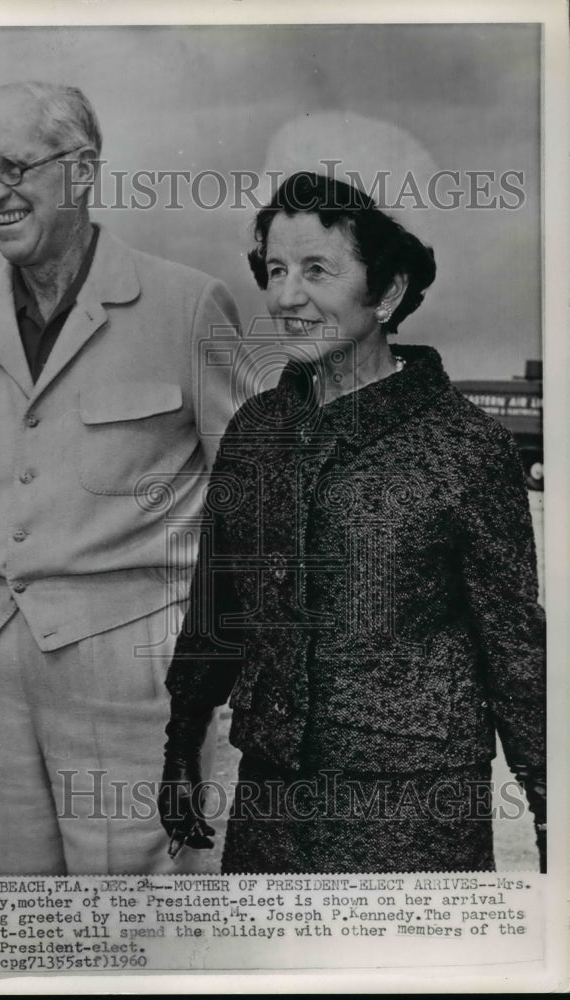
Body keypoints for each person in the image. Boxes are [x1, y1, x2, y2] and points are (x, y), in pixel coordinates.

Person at [0, 81, 241, 875]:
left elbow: (252, 512)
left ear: (81, 173)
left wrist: (220, 676)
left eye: (13, 166)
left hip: (135, 687)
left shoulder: (186, 308)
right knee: (22, 930)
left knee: (134, 933)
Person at [158, 170, 546, 873]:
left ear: (388, 291)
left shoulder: (464, 447)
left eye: (315, 270)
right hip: (271, 804)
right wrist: (181, 742)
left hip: (414, 816)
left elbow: (515, 652)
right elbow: (217, 604)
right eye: (274, 270)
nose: (285, 296)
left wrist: (550, 806)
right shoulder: (257, 431)